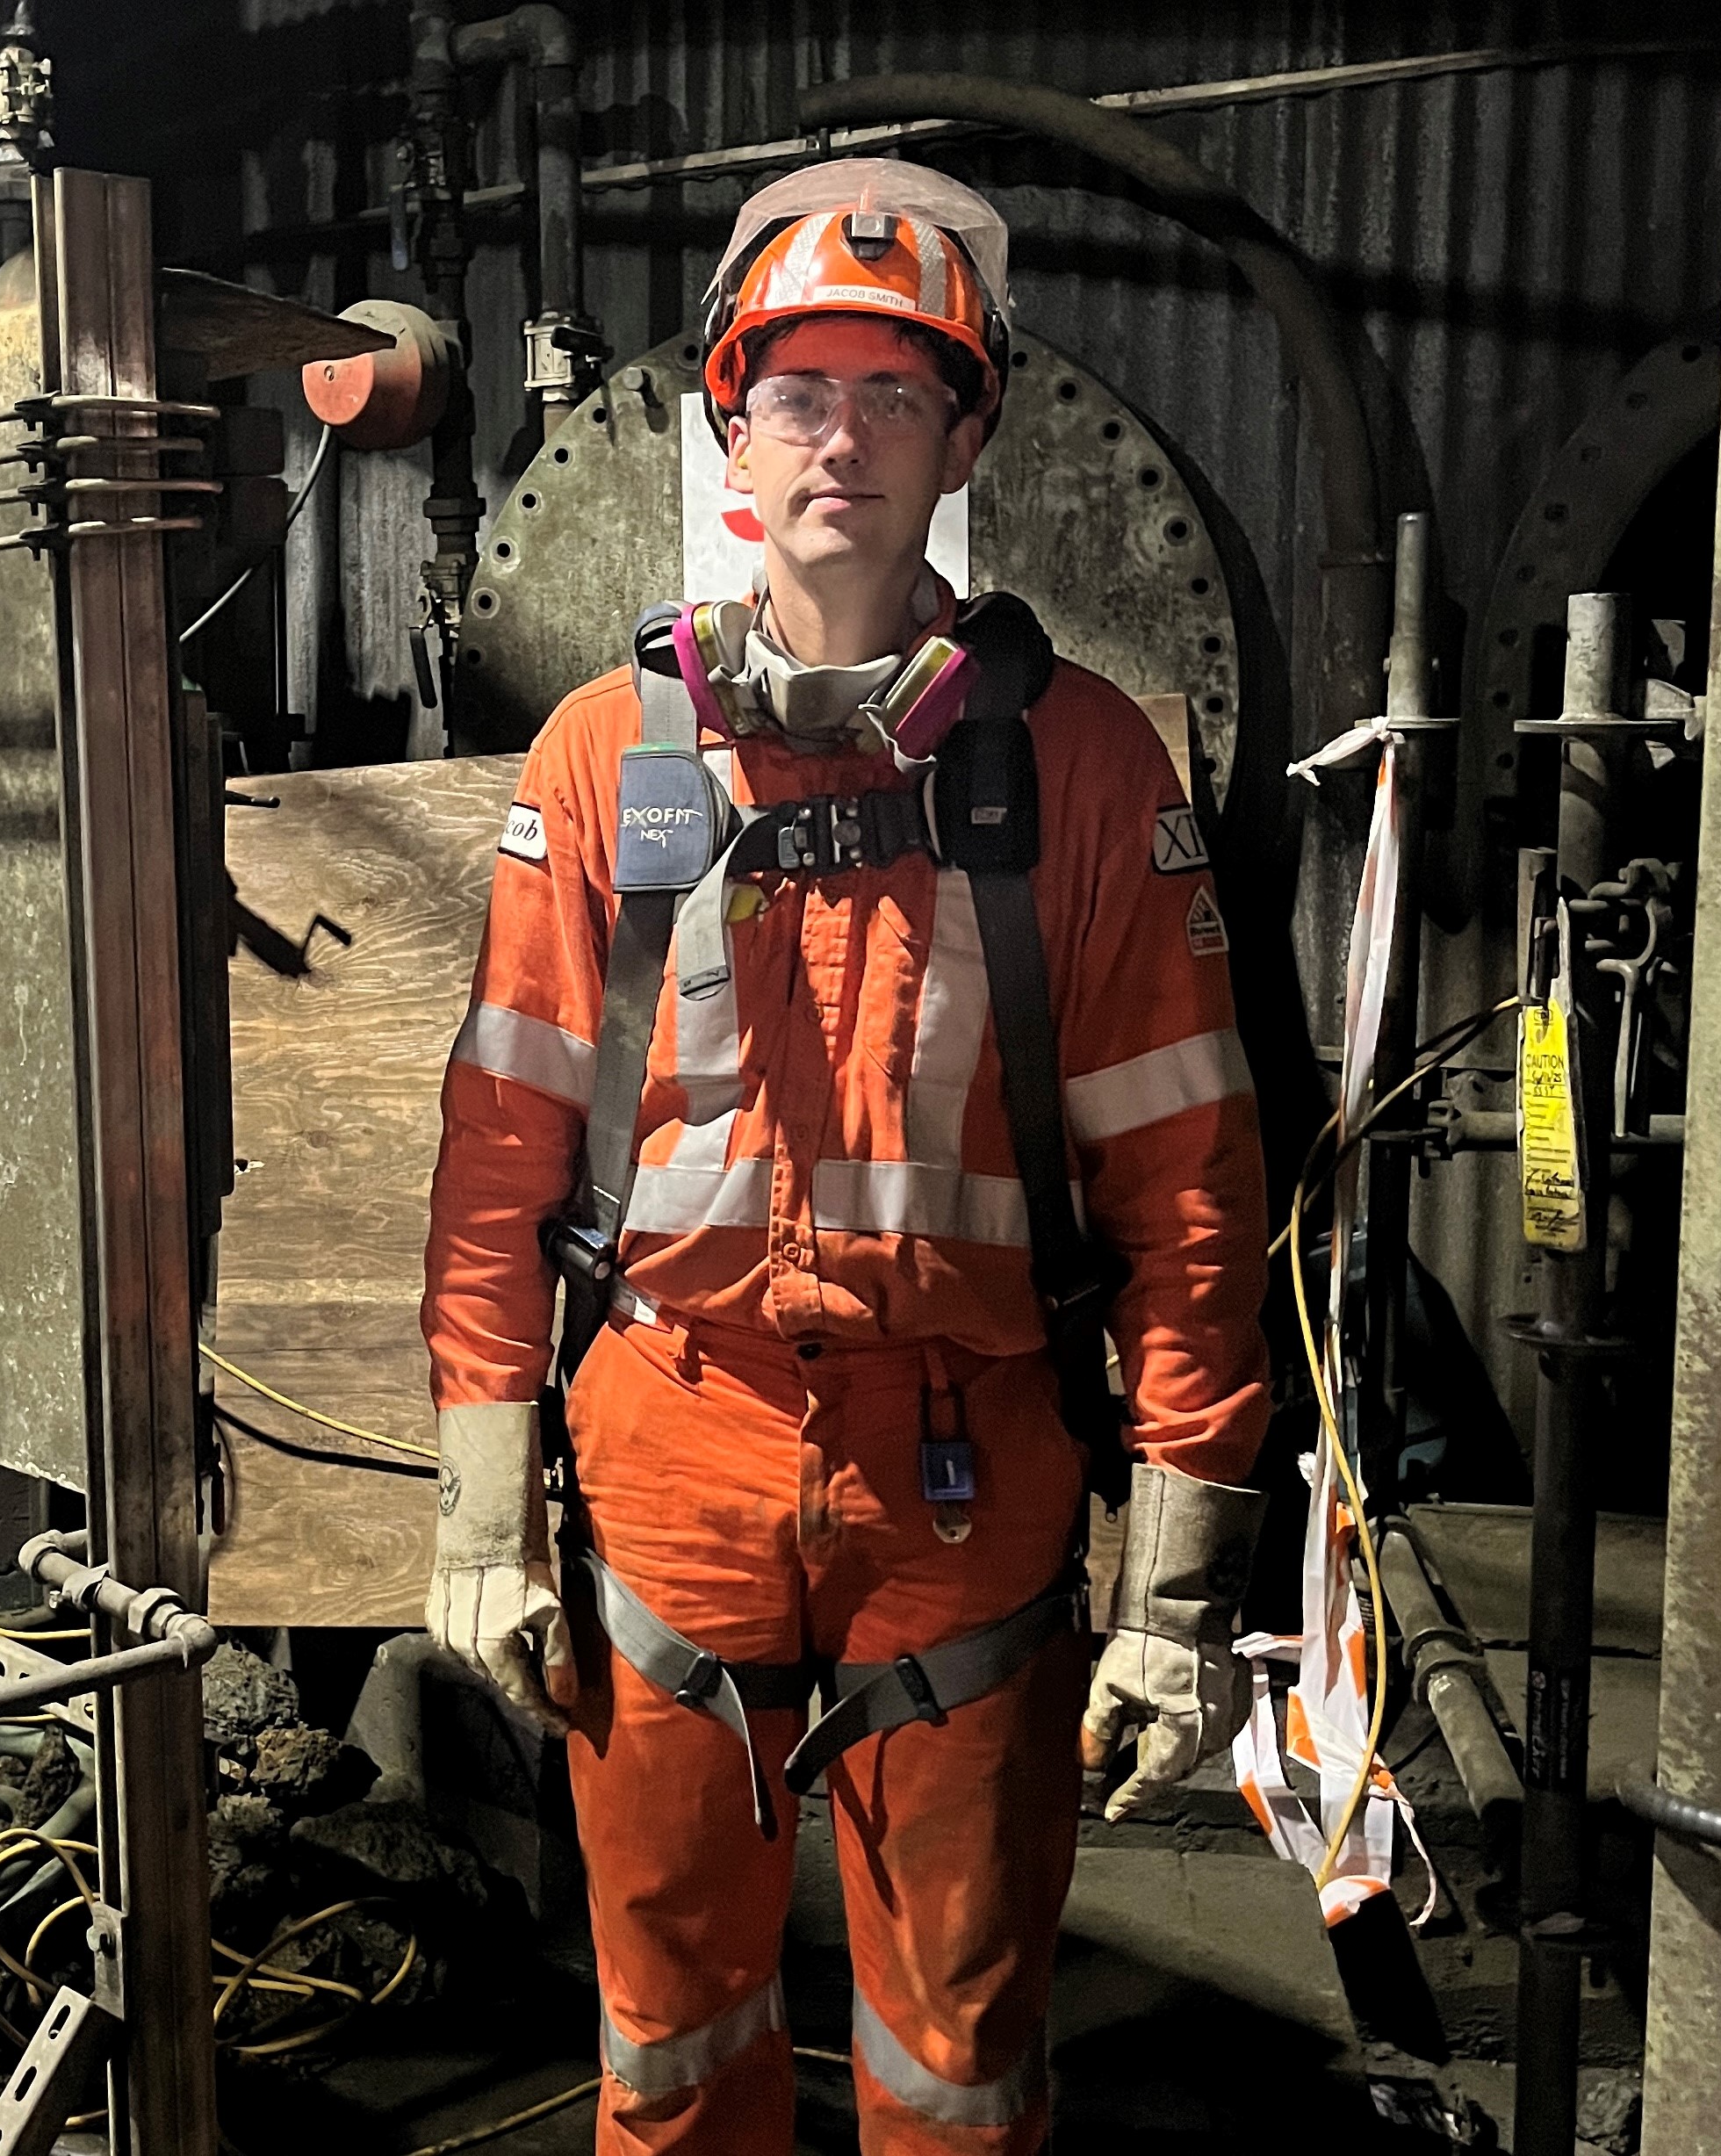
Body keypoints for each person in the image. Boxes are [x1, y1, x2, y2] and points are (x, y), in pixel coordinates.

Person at [421, 158, 1271, 2155]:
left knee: (960, 2052)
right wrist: (476, 1514)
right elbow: (498, 1152)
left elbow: (1192, 1196)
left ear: (963, 433)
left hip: (963, 1471)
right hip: (667, 1443)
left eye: (895, 393)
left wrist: (1175, 1586)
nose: (842, 436)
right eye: (798, 388)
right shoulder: (604, 758)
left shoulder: (1083, 767)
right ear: (731, 423)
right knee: (668, 2031)